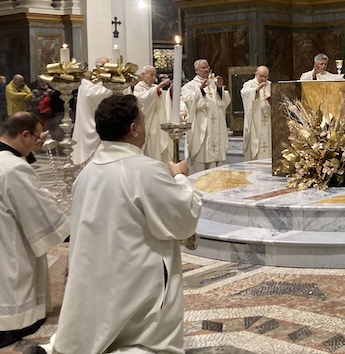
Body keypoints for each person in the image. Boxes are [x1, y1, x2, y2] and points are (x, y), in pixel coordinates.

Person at [50, 94, 201, 354]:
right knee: (143, 339)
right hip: (136, 275)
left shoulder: (87, 172)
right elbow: (183, 219)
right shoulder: (144, 170)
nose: (145, 126)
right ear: (133, 129)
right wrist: (180, 178)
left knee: (104, 329)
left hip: (96, 271)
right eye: (143, 120)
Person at [0, 113, 68, 349]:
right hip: (8, 244)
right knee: (11, 280)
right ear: (25, 135)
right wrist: (69, 231)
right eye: (37, 139)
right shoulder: (13, 169)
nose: (38, 145)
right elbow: (37, 212)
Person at [181, 59, 231, 172]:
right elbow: (190, 102)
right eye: (203, 68)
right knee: (201, 159)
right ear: (196, 70)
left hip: (216, 128)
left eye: (207, 67)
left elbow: (225, 102)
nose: (206, 70)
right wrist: (201, 91)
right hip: (201, 127)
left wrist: (219, 88)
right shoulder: (189, 86)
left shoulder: (214, 83)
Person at [71, 58, 113, 165]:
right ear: (97, 67)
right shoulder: (87, 81)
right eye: (103, 66)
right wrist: (114, 87)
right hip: (89, 122)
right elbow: (95, 96)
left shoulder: (108, 81)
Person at [133, 65, 173, 163]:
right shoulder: (139, 88)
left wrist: (171, 91)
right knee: (152, 150)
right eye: (151, 75)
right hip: (149, 125)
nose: (154, 78)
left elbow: (165, 100)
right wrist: (158, 88)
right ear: (142, 75)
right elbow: (141, 101)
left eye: (155, 75)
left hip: (160, 122)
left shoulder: (154, 87)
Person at [240, 65, 272, 160]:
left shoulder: (270, 85)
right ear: (256, 74)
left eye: (266, 77)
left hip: (268, 120)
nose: (263, 79)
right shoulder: (249, 84)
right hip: (255, 120)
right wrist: (257, 90)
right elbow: (244, 94)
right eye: (261, 76)